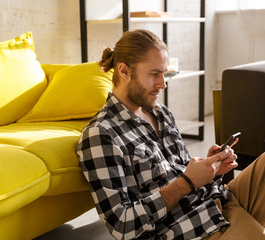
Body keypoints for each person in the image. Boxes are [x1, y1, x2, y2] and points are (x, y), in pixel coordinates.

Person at [76, 29, 265, 239]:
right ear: (124, 71)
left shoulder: (161, 113)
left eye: (164, 74)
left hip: (218, 201)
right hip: (192, 229)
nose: (163, 84)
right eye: (154, 74)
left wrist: (211, 168)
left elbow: (182, 171)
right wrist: (188, 182)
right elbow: (123, 225)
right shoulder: (101, 135)